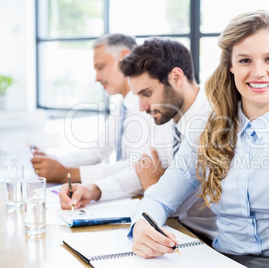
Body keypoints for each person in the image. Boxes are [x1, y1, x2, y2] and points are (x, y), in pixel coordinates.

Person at [128, 10, 269, 268]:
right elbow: (159, 199)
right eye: (245, 60)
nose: (258, 72)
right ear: (230, 65)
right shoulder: (206, 130)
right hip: (223, 260)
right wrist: (143, 225)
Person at [59, 38, 218, 242]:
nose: (142, 106)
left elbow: (172, 202)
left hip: (204, 239)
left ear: (177, 77)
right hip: (177, 230)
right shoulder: (168, 116)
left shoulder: (211, 120)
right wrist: (94, 190)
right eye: (138, 96)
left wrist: (151, 185)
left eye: (147, 94)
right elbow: (144, 169)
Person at [30, 34, 165, 185]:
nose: (97, 78)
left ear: (124, 58)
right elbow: (99, 150)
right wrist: (51, 159)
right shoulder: (123, 105)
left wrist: (69, 174)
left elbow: (140, 166)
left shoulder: (148, 107)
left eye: (100, 67)